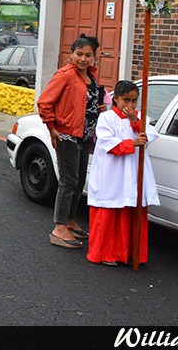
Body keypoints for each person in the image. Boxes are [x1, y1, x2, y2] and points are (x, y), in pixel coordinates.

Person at [37, 34, 109, 249]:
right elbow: (44, 102)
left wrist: (100, 108)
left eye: (88, 55)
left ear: (94, 57)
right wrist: (52, 127)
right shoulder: (65, 75)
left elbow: (87, 101)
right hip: (67, 135)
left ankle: (69, 220)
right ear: (71, 54)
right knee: (68, 182)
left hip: (86, 135)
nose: (83, 59)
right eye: (79, 54)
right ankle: (59, 228)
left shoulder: (92, 75)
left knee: (78, 181)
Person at [86, 80, 160, 266]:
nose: (130, 105)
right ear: (116, 99)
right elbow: (107, 142)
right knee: (110, 210)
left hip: (133, 171)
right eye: (126, 100)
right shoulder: (107, 118)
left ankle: (130, 253)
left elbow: (151, 134)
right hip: (112, 171)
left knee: (130, 209)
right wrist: (131, 144)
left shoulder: (140, 117)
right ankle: (107, 254)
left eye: (134, 101)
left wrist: (136, 122)